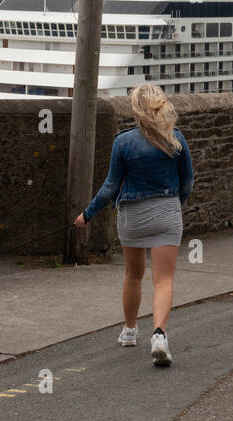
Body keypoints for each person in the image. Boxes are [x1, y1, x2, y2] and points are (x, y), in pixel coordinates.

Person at [74, 85, 194, 367]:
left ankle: (129, 331)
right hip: (166, 212)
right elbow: (188, 180)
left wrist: (87, 215)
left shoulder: (123, 142)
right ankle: (159, 335)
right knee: (163, 279)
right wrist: (175, 205)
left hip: (133, 215)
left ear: (136, 108)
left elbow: (110, 187)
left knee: (134, 274)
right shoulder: (175, 139)